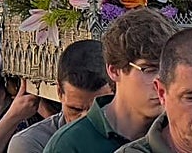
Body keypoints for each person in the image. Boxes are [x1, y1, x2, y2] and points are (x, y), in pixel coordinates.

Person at [44, 9, 178, 153]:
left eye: (169, 68)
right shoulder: (69, 145)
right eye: (149, 69)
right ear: (114, 70)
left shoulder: (185, 135)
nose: (162, 82)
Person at [10, 39, 111, 153]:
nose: (85, 121)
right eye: (76, 110)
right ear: (59, 92)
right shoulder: (30, 143)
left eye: (97, 109)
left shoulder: (131, 135)